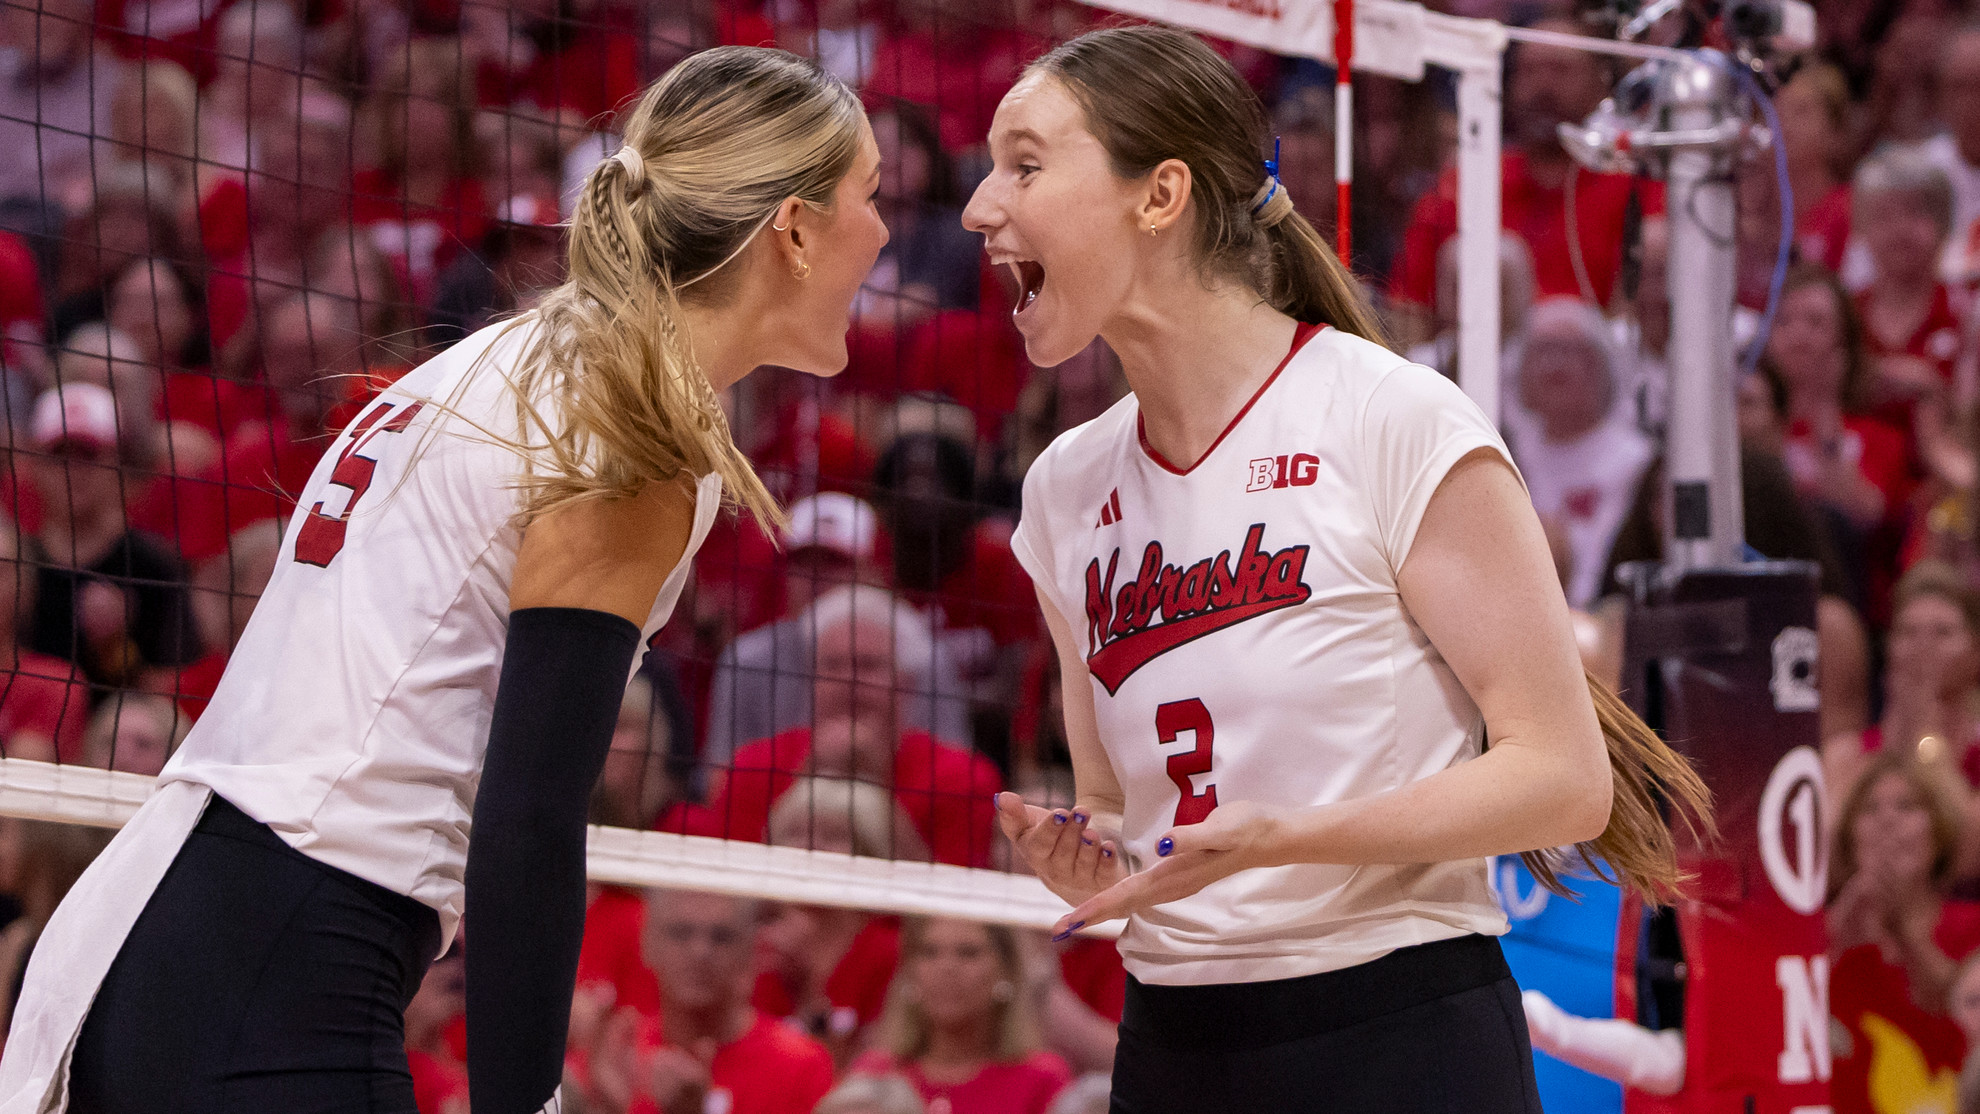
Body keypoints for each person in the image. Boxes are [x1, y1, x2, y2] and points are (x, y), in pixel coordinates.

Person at [0, 46, 888, 1114]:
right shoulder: (632, 425)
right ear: (792, 227)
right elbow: (533, 814)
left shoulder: (500, 360)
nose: (883, 234)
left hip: (168, 931)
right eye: (868, 197)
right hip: (288, 961)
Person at [966, 26, 1708, 1112]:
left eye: (1025, 165)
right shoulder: (1066, 486)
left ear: (1159, 194)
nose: (984, 206)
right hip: (1172, 1042)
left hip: (1395, 1034)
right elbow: (1119, 804)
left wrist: (1289, 838)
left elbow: (1564, 778)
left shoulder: (1389, 416)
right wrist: (1094, 857)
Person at [672, 583, 1004, 868]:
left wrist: (872, 786)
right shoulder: (753, 767)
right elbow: (736, 887)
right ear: (809, 679)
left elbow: (946, 913)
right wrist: (809, 777)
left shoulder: (964, 779)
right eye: (833, 665)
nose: (849, 681)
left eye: (869, 666)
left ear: (908, 684)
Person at [574, 890, 836, 1114]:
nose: (700, 952)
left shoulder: (802, 1067)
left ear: (750, 951)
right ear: (647, 943)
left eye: (721, 936)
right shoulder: (617, 1056)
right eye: (681, 933)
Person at [1829, 753, 1980, 1114]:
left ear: (1939, 833)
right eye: (1870, 809)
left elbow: (1961, 1019)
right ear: (1850, 837)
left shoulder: (1972, 927)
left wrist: (1907, 932)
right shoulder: (1822, 930)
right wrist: (1836, 931)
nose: (1887, 820)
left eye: (1907, 806)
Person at [853, 917, 1074, 1114]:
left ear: (1006, 969)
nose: (947, 967)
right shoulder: (874, 1074)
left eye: (968, 953)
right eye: (930, 951)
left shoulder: (1042, 1080)